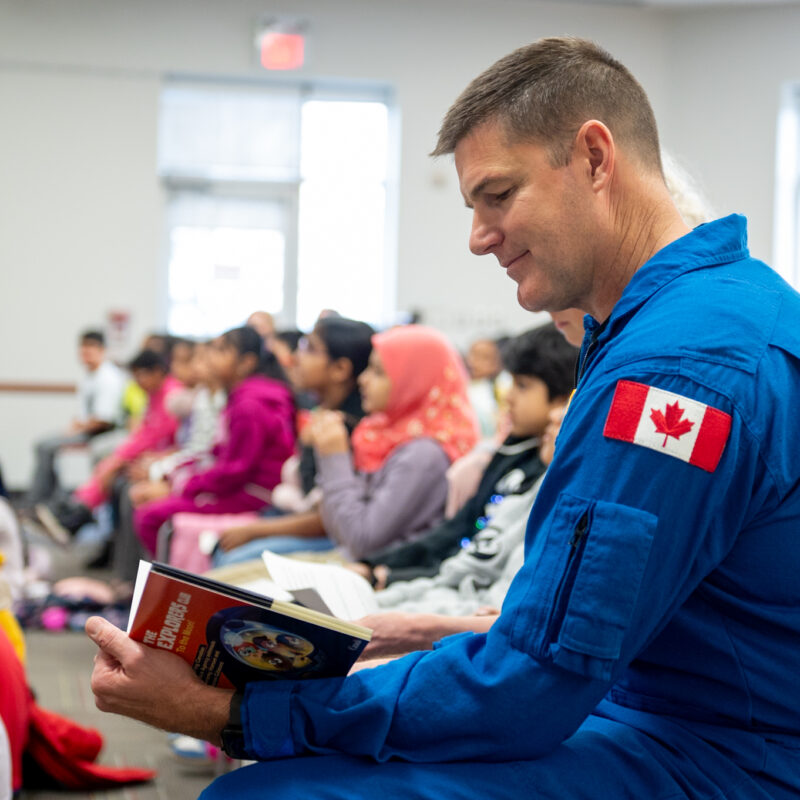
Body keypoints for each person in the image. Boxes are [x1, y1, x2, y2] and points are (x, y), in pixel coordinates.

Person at [86, 37, 800, 799]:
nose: (478, 236)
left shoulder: (677, 373)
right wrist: (401, 636)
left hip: (720, 753)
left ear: (595, 158)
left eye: (499, 195)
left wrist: (238, 713)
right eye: (472, 207)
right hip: (663, 712)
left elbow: (533, 681)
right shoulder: (719, 312)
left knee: (268, 793)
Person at [354, 323, 576, 589]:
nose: (508, 397)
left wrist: (392, 576)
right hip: (444, 579)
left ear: (563, 399)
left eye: (523, 386)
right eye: (510, 383)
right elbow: (461, 527)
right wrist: (376, 564)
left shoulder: (554, 469)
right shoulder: (512, 449)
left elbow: (486, 559)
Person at [304, 324, 480, 561]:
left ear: (414, 380)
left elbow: (361, 541)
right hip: (350, 559)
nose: (363, 380)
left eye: (378, 372)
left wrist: (333, 456)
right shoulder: (382, 434)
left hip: (384, 576)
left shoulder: (424, 455)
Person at [210, 316, 374, 564]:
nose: (295, 358)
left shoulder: (350, 428)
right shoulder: (321, 413)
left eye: (309, 348)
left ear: (340, 369)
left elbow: (327, 518)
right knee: (220, 545)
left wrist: (255, 530)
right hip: (298, 514)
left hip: (332, 536)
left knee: (232, 558)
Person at [132, 326, 295, 555]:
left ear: (246, 362)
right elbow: (219, 454)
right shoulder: (241, 397)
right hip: (239, 486)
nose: (210, 357)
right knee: (148, 506)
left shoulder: (250, 404)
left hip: (254, 495)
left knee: (150, 517)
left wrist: (183, 487)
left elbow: (236, 470)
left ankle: (164, 586)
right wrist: (177, 478)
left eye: (221, 351)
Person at [36, 350, 182, 540]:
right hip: (152, 456)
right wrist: (118, 458)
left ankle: (75, 516)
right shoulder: (155, 394)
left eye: (140, 375)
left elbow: (154, 437)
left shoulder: (171, 395)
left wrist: (119, 460)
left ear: (157, 371)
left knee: (115, 473)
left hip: (163, 460)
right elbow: (144, 434)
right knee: (109, 466)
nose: (138, 382)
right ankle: (76, 514)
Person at [26, 330, 126, 507]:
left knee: (46, 446)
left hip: (103, 432)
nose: (85, 354)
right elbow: (84, 414)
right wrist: (76, 425)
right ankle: (52, 499)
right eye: (83, 349)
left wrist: (79, 427)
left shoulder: (108, 377)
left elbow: (104, 420)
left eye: (90, 349)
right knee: (44, 445)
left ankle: (39, 500)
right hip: (87, 429)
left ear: (102, 350)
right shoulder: (88, 376)